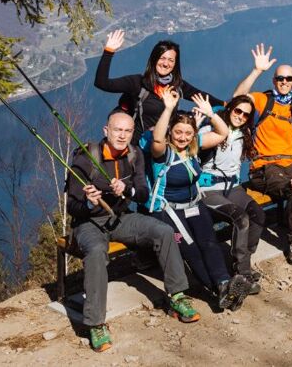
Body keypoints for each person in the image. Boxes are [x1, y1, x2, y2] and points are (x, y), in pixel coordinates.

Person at [66, 110, 200, 352]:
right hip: (88, 223)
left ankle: (177, 296)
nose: (123, 135)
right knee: (96, 250)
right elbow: (71, 206)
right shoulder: (85, 158)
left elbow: (143, 193)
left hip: (120, 218)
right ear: (106, 131)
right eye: (117, 130)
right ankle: (96, 324)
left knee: (163, 231)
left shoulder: (135, 155)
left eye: (128, 131)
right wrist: (89, 203)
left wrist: (126, 191)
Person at [147, 89, 251, 312]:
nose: (183, 137)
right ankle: (218, 291)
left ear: (194, 134)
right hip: (167, 210)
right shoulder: (162, 152)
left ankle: (224, 284)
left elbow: (222, 133)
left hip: (193, 203)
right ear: (170, 132)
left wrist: (210, 114)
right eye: (178, 132)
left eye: (187, 133)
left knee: (209, 242)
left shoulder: (193, 148)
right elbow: (156, 137)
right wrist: (168, 109)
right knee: (192, 249)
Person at [233, 44, 292, 266]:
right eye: (280, 79)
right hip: (264, 167)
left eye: (288, 79)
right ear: (274, 81)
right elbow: (237, 98)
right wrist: (257, 70)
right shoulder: (262, 100)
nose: (284, 82)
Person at [94, 29, 222, 139]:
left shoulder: (177, 86)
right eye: (162, 58)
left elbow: (201, 96)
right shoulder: (137, 83)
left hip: (164, 146)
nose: (166, 64)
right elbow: (102, 83)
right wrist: (108, 51)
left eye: (171, 60)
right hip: (139, 146)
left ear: (175, 64)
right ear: (154, 60)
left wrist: (226, 105)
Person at [197, 95, 267, 292]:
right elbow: (196, 145)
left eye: (246, 114)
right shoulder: (210, 130)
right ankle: (242, 273)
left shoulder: (244, 133)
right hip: (209, 190)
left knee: (258, 215)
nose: (241, 116)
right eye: (238, 111)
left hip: (232, 188)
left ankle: (243, 262)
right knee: (240, 218)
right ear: (229, 109)